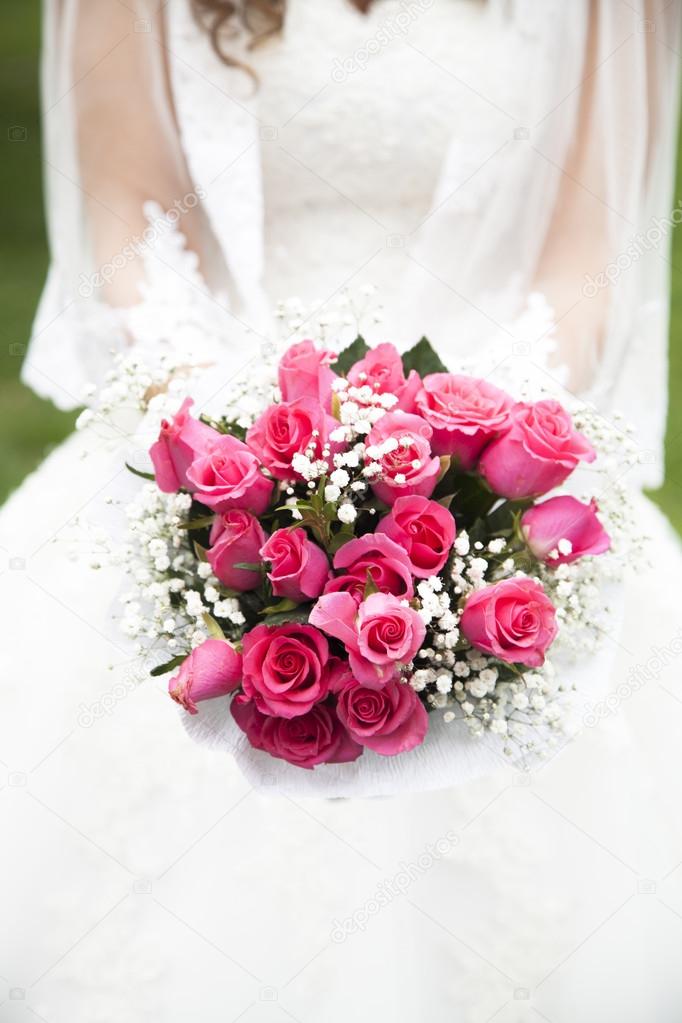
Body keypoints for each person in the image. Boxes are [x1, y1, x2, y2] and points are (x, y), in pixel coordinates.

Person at [2, 1, 682, 1019]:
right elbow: (127, 220)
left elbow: (586, 255)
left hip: (485, 436)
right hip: (224, 427)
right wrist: (236, 457)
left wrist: (472, 460)